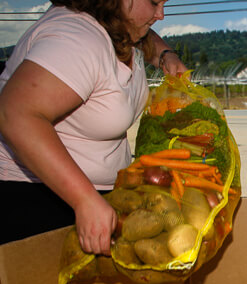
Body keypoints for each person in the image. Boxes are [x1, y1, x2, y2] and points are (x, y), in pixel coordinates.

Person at [0, 0, 187, 254]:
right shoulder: (75, 40)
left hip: (94, 198)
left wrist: (166, 55)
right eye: (154, 2)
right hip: (38, 201)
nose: (161, 14)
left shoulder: (120, 26)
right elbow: (15, 113)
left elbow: (144, 35)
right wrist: (84, 200)